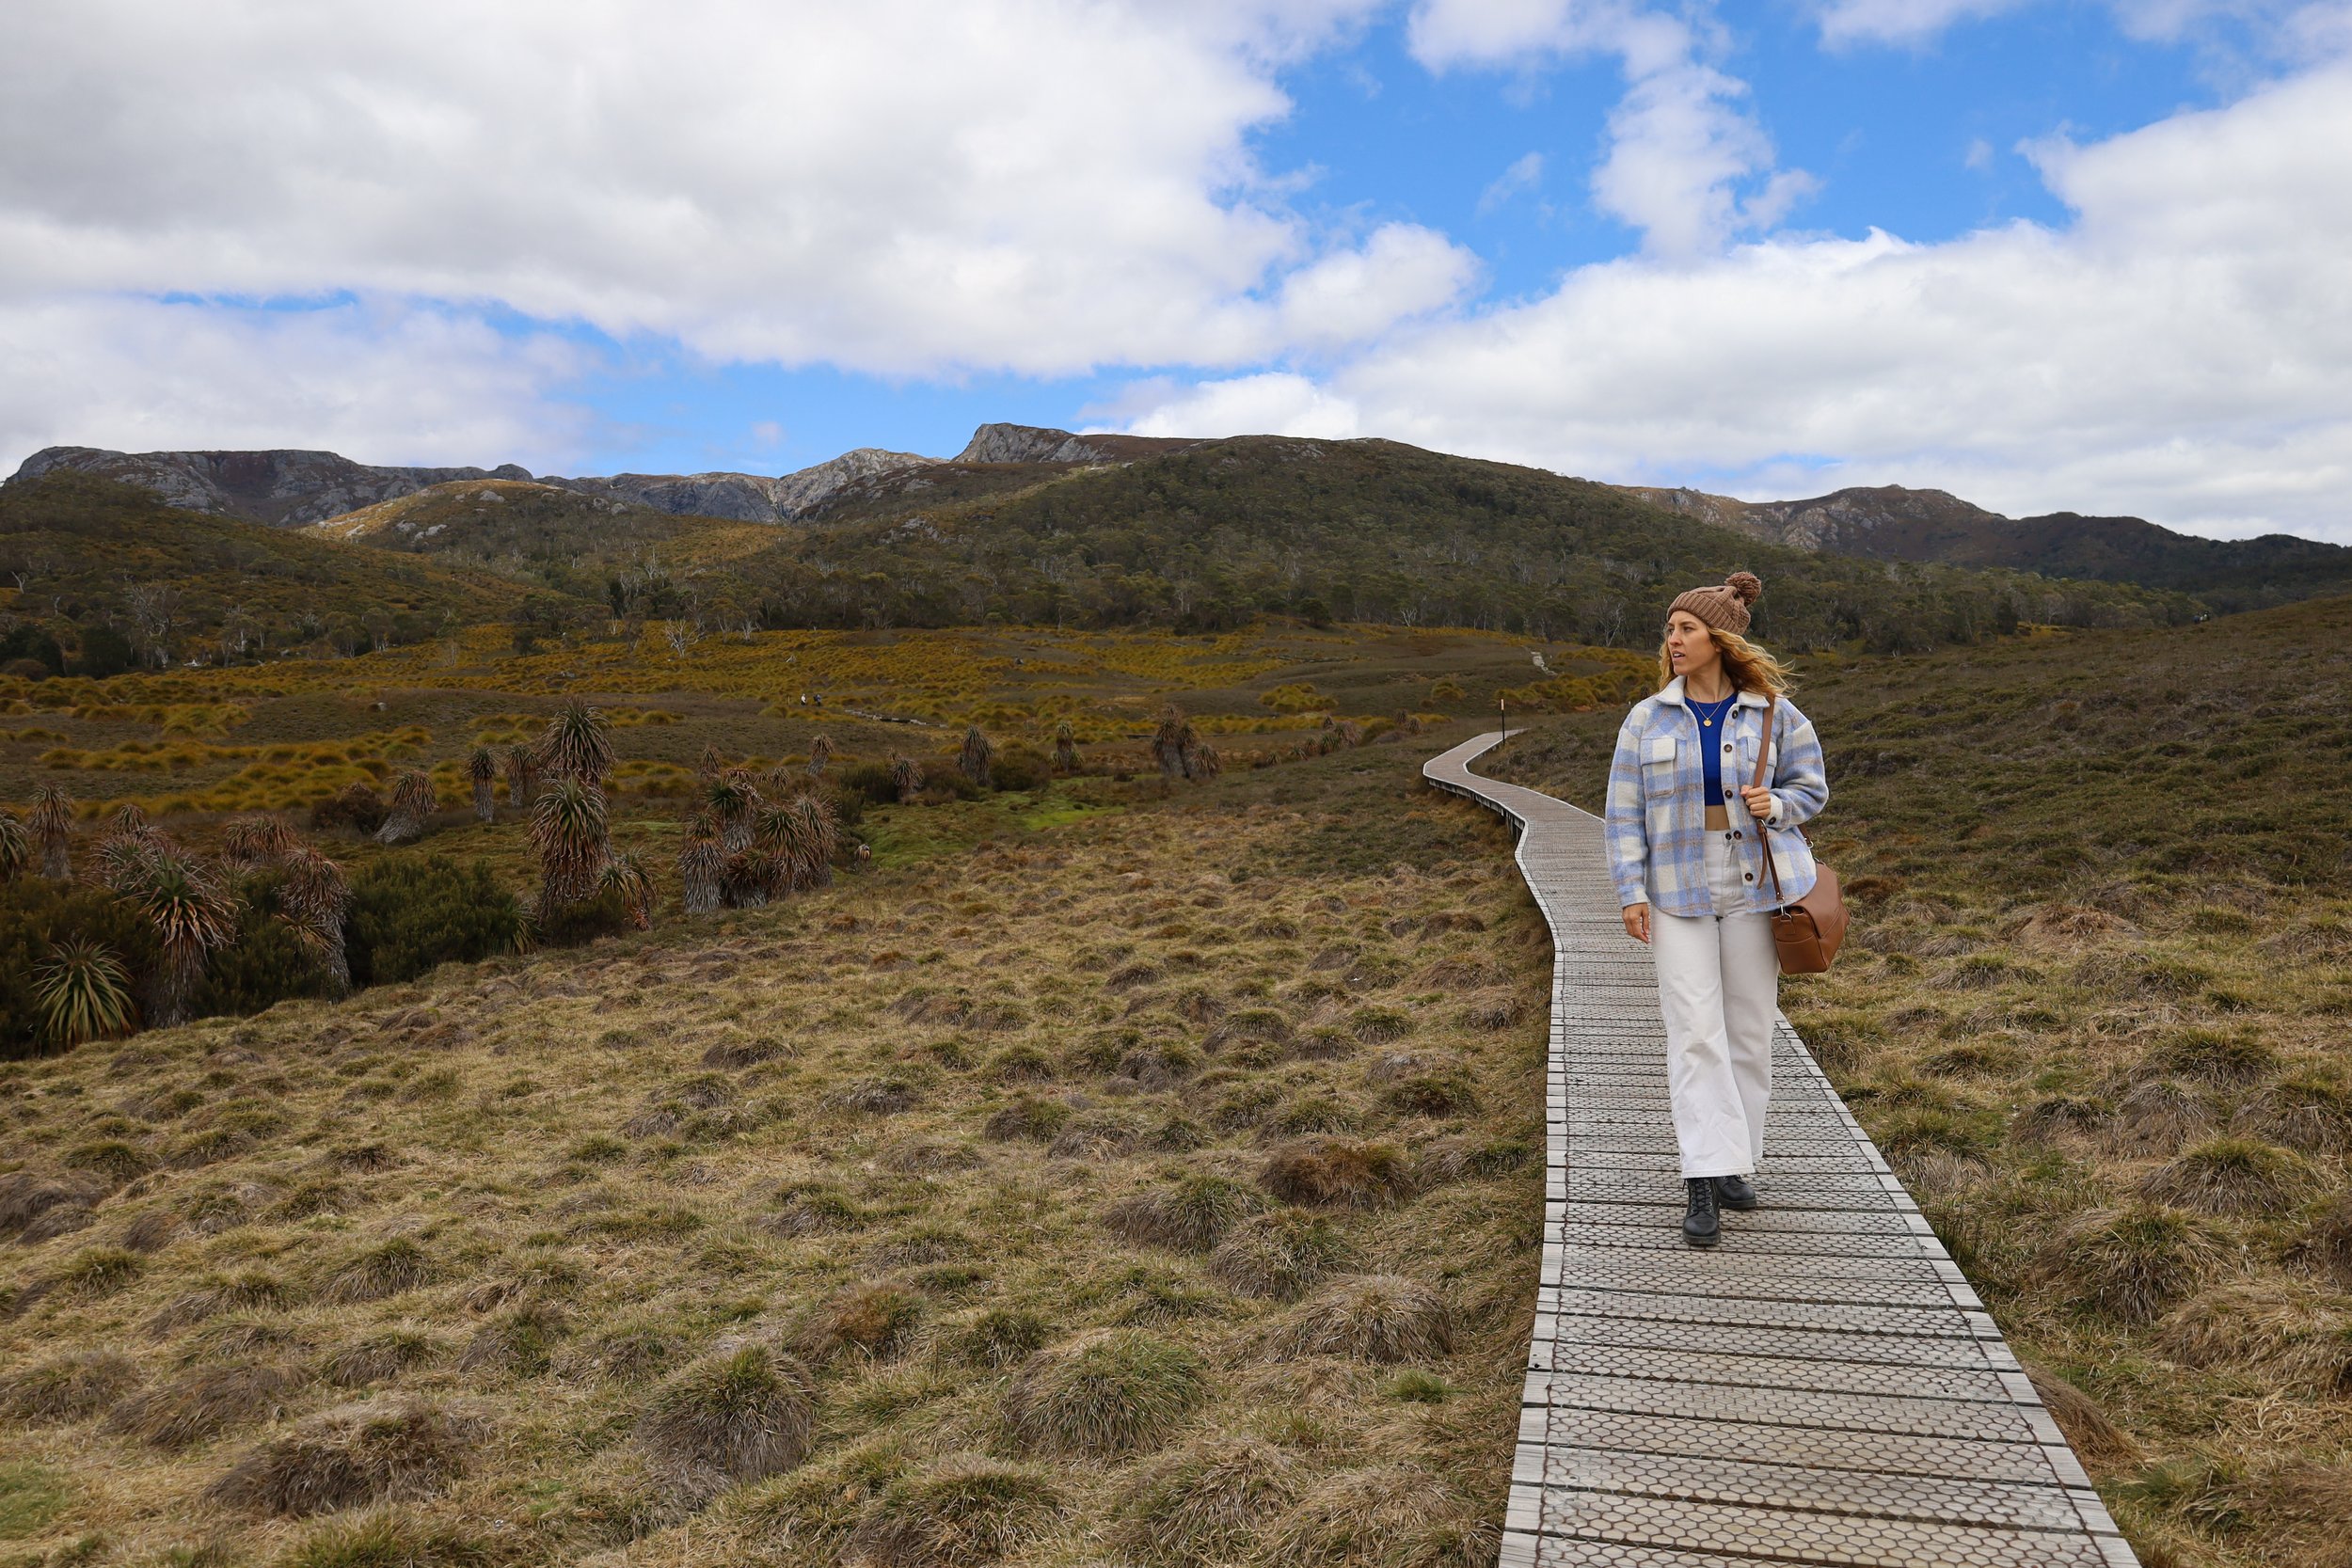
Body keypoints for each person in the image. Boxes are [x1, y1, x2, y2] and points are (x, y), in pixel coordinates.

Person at [1603, 572, 1828, 1247]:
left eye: (1686, 629)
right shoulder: (1646, 717)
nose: (1672, 639)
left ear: (1720, 639)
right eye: (1670, 629)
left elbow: (1811, 788)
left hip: (1756, 883)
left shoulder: (1775, 714)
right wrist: (1630, 891)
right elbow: (1622, 812)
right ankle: (1702, 1177)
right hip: (1675, 887)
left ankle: (1736, 1160)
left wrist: (1778, 804)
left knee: (1750, 1030)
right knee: (1695, 1029)